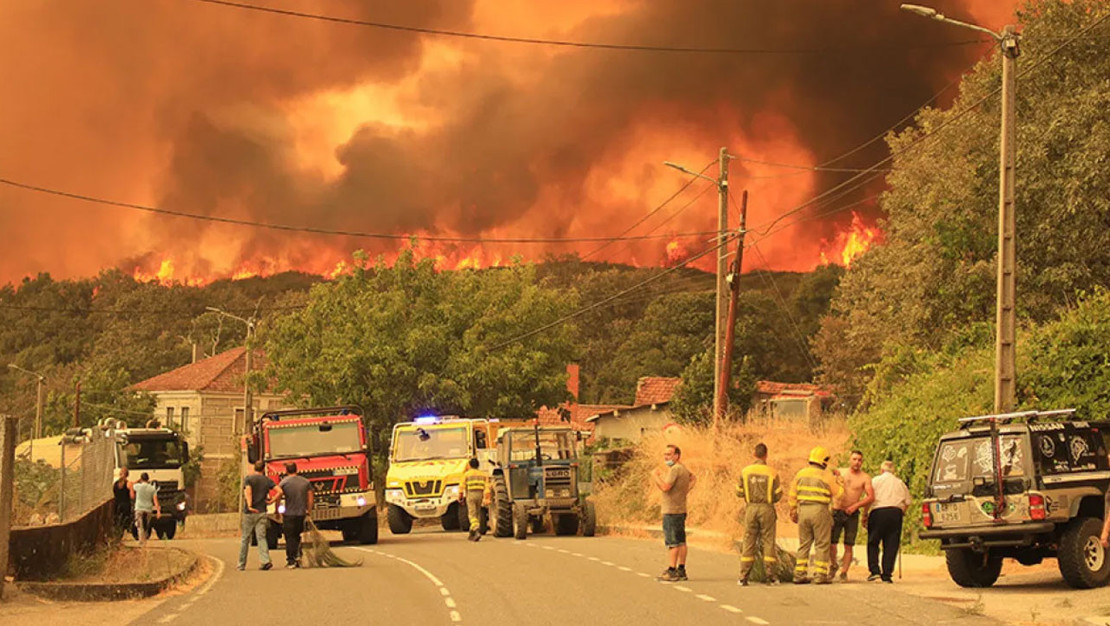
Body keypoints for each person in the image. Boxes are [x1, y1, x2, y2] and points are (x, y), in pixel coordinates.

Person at [788, 446, 841, 584]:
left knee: (804, 544)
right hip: (820, 510)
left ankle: (799, 574)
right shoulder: (826, 475)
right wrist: (839, 480)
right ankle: (820, 575)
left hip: (803, 510)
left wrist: (793, 510)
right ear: (823, 460)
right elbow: (839, 494)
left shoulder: (800, 474)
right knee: (822, 544)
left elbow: (792, 494)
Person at [736, 443, 783, 586]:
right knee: (768, 541)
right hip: (767, 509)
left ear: (754, 454)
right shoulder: (772, 472)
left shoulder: (745, 471)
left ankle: (744, 576)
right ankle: (771, 577)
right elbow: (778, 494)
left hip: (750, 509)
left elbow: (739, 492)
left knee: (749, 541)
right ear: (766, 455)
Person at [651, 444, 696, 582]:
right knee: (681, 541)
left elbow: (665, 487)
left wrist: (655, 476)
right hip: (681, 509)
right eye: (665, 454)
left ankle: (672, 570)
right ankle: (681, 569)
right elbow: (693, 478)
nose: (666, 457)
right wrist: (684, 492)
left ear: (677, 455)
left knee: (673, 542)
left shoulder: (675, 469)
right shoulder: (683, 469)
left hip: (671, 511)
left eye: (669, 454)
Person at [829, 450, 875, 581]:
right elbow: (828, 477)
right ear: (850, 460)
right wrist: (834, 475)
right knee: (832, 543)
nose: (857, 462)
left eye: (859, 460)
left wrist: (856, 506)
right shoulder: (841, 472)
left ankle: (844, 572)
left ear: (862, 462)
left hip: (852, 513)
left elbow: (871, 496)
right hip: (837, 510)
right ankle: (833, 564)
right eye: (854, 459)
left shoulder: (865, 478)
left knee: (848, 544)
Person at [867, 461, 912, 583]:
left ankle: (874, 571)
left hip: (878, 512)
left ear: (881, 470)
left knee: (873, 541)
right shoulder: (899, 482)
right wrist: (901, 512)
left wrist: (865, 514)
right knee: (892, 543)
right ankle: (887, 574)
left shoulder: (875, 480)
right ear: (893, 471)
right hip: (895, 512)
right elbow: (907, 502)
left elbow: (869, 498)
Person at [273, 462, 313, 568]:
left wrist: (277, 510)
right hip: (301, 514)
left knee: (290, 537)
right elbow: (310, 497)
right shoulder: (305, 482)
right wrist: (308, 510)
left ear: (286, 471)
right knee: (297, 535)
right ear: (297, 469)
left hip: (289, 514)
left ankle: (291, 560)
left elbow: (278, 496)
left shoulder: (284, 482)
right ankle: (298, 555)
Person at [239, 460, 275, 571]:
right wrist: (272, 501)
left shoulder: (249, 479)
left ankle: (241, 564)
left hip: (250, 513)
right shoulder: (267, 480)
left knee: (245, 538)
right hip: (262, 512)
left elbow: (248, 491)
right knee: (261, 537)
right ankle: (265, 560)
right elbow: (279, 491)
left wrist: (249, 505)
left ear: (255, 468)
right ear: (263, 469)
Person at [459, 458, 491, 541]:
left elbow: (461, 487)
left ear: (469, 465)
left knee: (472, 514)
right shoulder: (483, 474)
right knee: (477, 513)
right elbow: (487, 487)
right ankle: (472, 532)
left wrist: (460, 497)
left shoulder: (466, 474)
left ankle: (476, 530)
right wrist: (486, 498)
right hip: (480, 495)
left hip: (471, 495)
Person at [132, 472, 160, 547]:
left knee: (139, 526)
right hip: (148, 509)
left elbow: (131, 484)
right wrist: (158, 511)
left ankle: (142, 543)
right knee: (146, 526)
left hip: (139, 508)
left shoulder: (138, 486)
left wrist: (138, 480)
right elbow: (155, 500)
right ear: (148, 479)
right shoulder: (152, 488)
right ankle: (145, 537)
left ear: (141, 479)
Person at [112, 467, 137, 540]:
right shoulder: (128, 484)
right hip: (126, 505)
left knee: (118, 522)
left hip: (117, 505)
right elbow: (132, 496)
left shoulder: (115, 484)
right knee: (125, 521)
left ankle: (117, 537)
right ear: (127, 475)